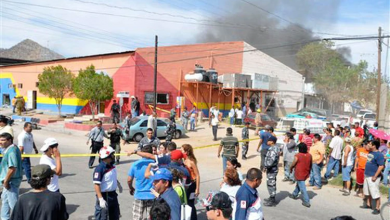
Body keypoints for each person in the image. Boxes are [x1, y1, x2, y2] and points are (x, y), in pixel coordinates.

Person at [93, 146, 122, 220]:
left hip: (113, 195)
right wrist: (100, 199)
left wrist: (118, 184)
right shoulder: (100, 168)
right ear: (107, 156)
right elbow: (97, 185)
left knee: (115, 216)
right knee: (103, 217)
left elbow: (112, 177)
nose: (114, 156)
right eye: (112, 154)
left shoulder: (112, 165)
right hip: (104, 196)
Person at [128, 145, 155, 220]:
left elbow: (129, 180)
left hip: (139, 195)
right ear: (151, 153)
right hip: (152, 195)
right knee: (151, 217)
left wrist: (130, 188)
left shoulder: (135, 164)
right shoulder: (155, 164)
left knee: (137, 217)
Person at [0, 132, 22, 220]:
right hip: (8, 182)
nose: (0, 142)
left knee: (14, 205)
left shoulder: (12, 151)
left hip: (10, 182)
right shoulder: (11, 149)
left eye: (3, 140)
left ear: (9, 140)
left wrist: (6, 181)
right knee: (5, 202)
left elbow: (12, 168)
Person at [361, 140, 384, 215]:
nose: (368, 145)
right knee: (368, 191)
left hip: (373, 176)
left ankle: (377, 208)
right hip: (367, 175)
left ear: (374, 146)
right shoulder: (370, 152)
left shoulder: (379, 155)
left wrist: (375, 176)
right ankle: (368, 204)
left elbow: (381, 166)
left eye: (370, 144)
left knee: (375, 192)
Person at [289, 143, 312, 208]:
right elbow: (310, 164)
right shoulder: (309, 155)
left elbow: (294, 163)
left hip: (299, 173)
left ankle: (306, 201)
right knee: (299, 184)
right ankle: (294, 194)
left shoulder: (298, 155)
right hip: (306, 172)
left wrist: (291, 168)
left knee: (302, 187)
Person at [182, 144, 200, 220]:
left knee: (190, 203)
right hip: (186, 184)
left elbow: (197, 175)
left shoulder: (191, 162)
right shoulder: (183, 160)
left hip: (192, 184)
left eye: (182, 150)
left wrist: (197, 188)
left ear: (186, 152)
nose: (181, 152)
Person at [263, 136, 279, 207]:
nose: (267, 141)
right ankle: (271, 197)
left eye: (268, 140)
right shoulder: (274, 148)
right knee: (270, 183)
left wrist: (266, 166)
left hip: (272, 169)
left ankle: (272, 200)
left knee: (271, 184)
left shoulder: (273, 149)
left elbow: (271, 160)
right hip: (272, 169)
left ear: (272, 141)